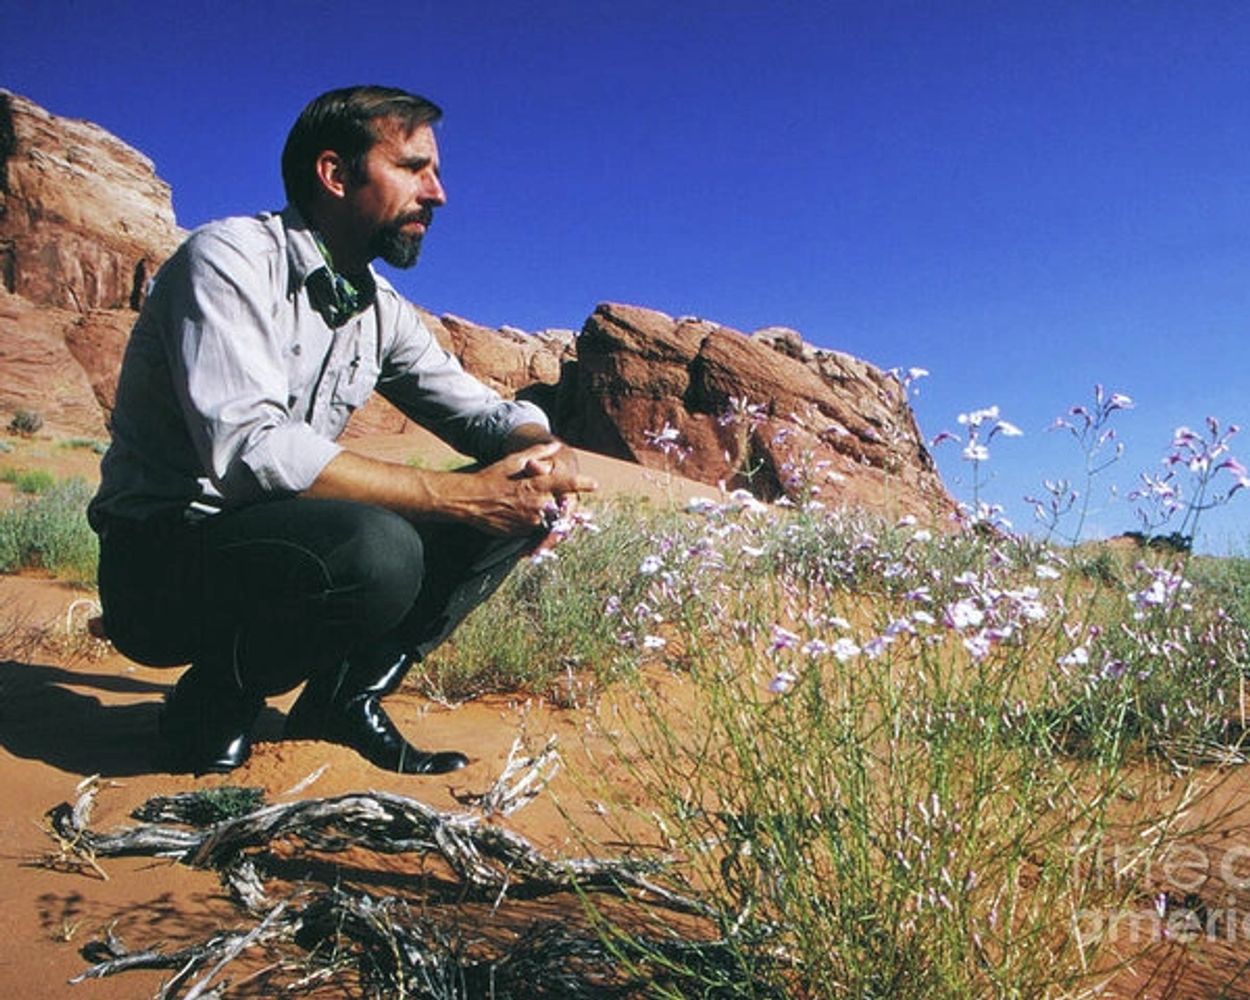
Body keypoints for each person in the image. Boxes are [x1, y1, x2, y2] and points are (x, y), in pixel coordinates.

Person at [88, 85, 597, 776]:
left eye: (435, 173)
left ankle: (342, 699)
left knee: (521, 499)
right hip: (162, 568)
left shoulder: (379, 309)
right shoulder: (229, 259)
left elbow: (480, 412)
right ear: (335, 174)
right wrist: (457, 497)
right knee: (378, 549)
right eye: (415, 168)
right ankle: (216, 694)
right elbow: (252, 452)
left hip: (277, 543)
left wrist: (541, 450)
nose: (437, 193)